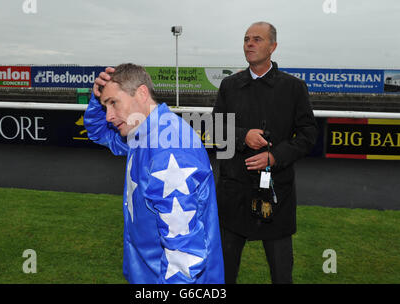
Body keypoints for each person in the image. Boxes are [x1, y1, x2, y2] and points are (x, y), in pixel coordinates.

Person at [84, 63, 224, 284]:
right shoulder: (142, 131)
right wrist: (96, 100)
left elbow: (185, 254)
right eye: (105, 106)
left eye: (113, 103)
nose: (108, 115)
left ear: (141, 93)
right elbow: (98, 133)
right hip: (149, 274)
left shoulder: (167, 147)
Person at [212, 22, 318, 284]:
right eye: (247, 39)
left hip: (275, 194)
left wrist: (275, 156)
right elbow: (215, 129)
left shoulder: (294, 88)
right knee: (223, 275)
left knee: (282, 275)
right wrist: (242, 136)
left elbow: (308, 134)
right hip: (233, 192)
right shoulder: (229, 85)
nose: (249, 43)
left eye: (257, 39)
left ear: (273, 46)